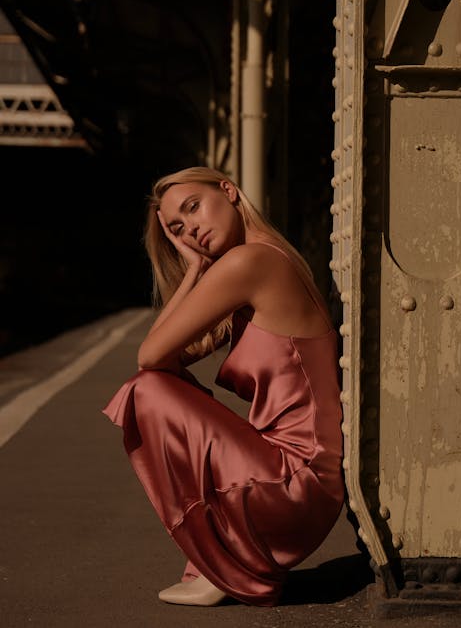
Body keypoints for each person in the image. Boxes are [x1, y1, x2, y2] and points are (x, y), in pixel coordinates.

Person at [102, 166, 344, 607]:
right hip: (300, 482)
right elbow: (165, 356)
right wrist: (195, 267)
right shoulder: (266, 260)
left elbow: (149, 357)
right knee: (154, 384)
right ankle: (223, 552)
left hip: (298, 483)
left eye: (193, 208)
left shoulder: (250, 262)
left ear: (228, 191)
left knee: (147, 390)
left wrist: (194, 270)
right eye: (177, 228)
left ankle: (225, 561)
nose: (190, 228)